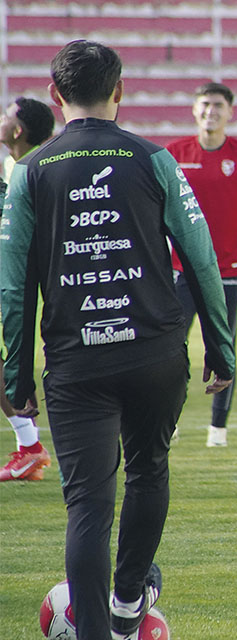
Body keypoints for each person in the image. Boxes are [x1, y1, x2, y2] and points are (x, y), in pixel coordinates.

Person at [1, 40, 234, 639]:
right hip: (156, 353)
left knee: (88, 508)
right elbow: (201, 259)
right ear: (120, 90)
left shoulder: (31, 171)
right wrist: (219, 347)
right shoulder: (155, 159)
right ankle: (130, 602)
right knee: (150, 471)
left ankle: (98, 632)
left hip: (77, 363)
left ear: (55, 96)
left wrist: (17, 377)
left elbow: (13, 286)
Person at [166, 82, 237, 448]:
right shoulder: (173, 154)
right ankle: (169, 421)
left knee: (224, 348)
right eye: (205, 104)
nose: (211, 111)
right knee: (170, 348)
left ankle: (218, 431)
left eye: (218, 105)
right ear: (194, 110)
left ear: (230, 112)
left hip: (228, 271)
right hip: (181, 270)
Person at [0, 97, 57, 480]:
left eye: (7, 113)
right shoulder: (14, 166)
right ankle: (30, 446)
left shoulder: (39, 169)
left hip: (36, 279)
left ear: (18, 130)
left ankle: (33, 444)